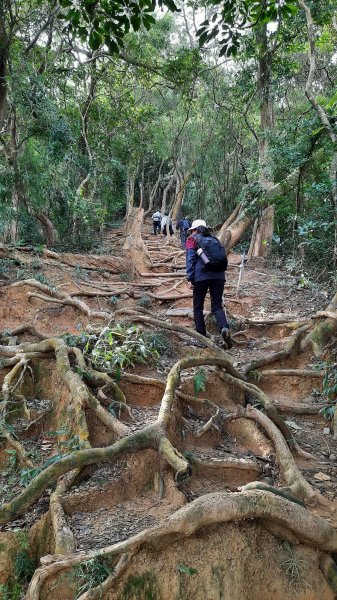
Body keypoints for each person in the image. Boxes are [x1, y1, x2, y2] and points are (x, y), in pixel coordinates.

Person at [186, 219, 232, 348]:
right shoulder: (215, 240)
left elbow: (190, 259)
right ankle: (224, 328)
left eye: (192, 230)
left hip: (201, 276)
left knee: (198, 307)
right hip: (219, 276)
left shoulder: (192, 239)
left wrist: (190, 278)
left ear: (195, 230)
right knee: (217, 306)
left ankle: (202, 338)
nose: (191, 233)